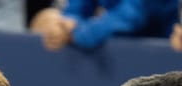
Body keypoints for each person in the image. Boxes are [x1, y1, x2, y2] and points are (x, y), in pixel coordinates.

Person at [29, 0, 177, 51]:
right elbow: (74, 11)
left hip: (159, 65)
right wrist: (63, 26)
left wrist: (78, 32)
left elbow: (131, 18)